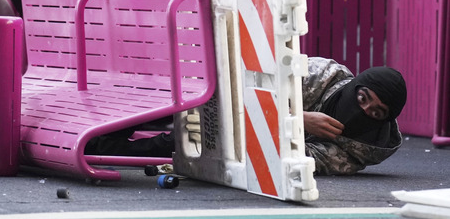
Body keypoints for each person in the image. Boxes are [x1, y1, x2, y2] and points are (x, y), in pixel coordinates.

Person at [85, 56, 408, 176]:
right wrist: (298, 119)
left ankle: (105, 149)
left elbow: (277, 156)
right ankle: (101, 125)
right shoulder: (322, 74)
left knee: (199, 136)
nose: (364, 111)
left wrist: (286, 126)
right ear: (356, 86)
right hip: (225, 96)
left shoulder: (356, 151)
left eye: (376, 113)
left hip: (236, 147)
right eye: (363, 98)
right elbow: (248, 86)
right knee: (188, 97)